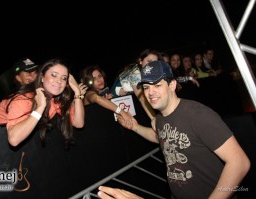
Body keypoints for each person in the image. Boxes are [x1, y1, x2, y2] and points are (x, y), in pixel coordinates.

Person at [99, 61, 250, 199]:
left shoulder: (197, 114)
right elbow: (160, 137)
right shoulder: (161, 117)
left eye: (157, 85)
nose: (150, 92)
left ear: (172, 85)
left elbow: (239, 162)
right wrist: (135, 127)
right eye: (146, 87)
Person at [0, 58, 85, 148]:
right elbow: (13, 140)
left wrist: (77, 93)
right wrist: (40, 108)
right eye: (54, 75)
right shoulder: (24, 99)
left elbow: (78, 123)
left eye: (64, 78)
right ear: (42, 77)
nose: (59, 81)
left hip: (14, 135)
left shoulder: (55, 100)